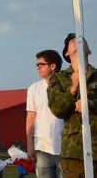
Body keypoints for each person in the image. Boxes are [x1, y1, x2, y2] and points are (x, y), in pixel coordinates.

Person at [47, 34, 97, 178]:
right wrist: (73, 88)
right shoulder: (59, 78)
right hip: (76, 152)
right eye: (71, 41)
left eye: (81, 39)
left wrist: (91, 104)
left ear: (89, 51)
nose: (77, 40)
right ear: (66, 53)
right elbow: (57, 109)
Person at [26, 49, 65, 178]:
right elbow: (31, 118)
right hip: (42, 148)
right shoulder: (34, 89)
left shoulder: (66, 86)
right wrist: (30, 145)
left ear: (53, 66)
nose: (38, 68)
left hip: (65, 148)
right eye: (37, 65)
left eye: (41, 64)